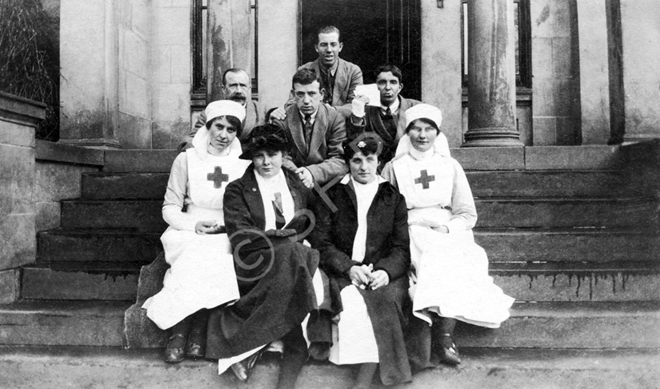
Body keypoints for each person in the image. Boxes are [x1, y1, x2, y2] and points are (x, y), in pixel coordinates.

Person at [381, 104, 515, 371]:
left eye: (428, 128)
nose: (422, 135)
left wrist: (448, 229)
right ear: (407, 133)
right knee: (432, 254)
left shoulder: (450, 166)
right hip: (408, 226)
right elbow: (383, 211)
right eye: (416, 128)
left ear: (437, 133)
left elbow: (467, 214)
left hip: (445, 227)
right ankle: (442, 339)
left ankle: (445, 334)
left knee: (460, 255)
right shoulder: (394, 168)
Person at [205, 124, 324, 389]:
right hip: (255, 261)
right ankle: (290, 360)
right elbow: (241, 236)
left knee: (298, 261)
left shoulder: (297, 184)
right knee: (293, 256)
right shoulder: (237, 189)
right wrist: (284, 240)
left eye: (273, 154)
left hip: (298, 259)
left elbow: (317, 223)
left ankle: (250, 350)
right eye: (260, 155)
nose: (266, 162)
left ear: (284, 155)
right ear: (252, 157)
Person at [142, 100, 250, 364]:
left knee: (220, 251)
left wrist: (229, 226)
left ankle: (197, 332)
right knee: (196, 251)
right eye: (219, 127)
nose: (224, 135)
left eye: (232, 130)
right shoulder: (186, 159)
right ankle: (180, 333)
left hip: (227, 227)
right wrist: (194, 226)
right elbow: (170, 208)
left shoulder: (243, 164)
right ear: (208, 126)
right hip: (190, 226)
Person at [310, 135, 412, 387]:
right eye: (356, 160)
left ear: (379, 161)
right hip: (342, 269)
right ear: (348, 163)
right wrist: (349, 267)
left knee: (384, 302)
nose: (363, 167)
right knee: (354, 305)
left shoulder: (393, 198)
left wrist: (386, 272)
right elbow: (322, 243)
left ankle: (362, 383)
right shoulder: (331, 195)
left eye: (370, 159)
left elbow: (401, 248)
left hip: (379, 274)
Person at [272, 68, 348, 189]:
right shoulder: (282, 120)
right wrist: (299, 175)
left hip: (326, 186)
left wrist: (312, 173)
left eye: (312, 94)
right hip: (291, 183)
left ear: (321, 94)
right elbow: (280, 156)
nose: (306, 101)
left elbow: (340, 159)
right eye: (300, 94)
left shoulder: (335, 119)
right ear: (293, 94)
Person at [178, 68, 271, 152]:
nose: (238, 91)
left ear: (249, 88)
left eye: (243, 86)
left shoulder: (261, 110)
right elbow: (193, 138)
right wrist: (192, 150)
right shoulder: (212, 111)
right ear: (224, 89)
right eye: (233, 86)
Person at [348, 64, 420, 171]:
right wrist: (357, 115)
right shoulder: (365, 111)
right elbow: (355, 143)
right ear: (375, 86)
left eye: (393, 82)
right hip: (375, 171)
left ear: (400, 87)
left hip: (409, 169)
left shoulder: (415, 108)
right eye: (382, 82)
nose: (387, 87)